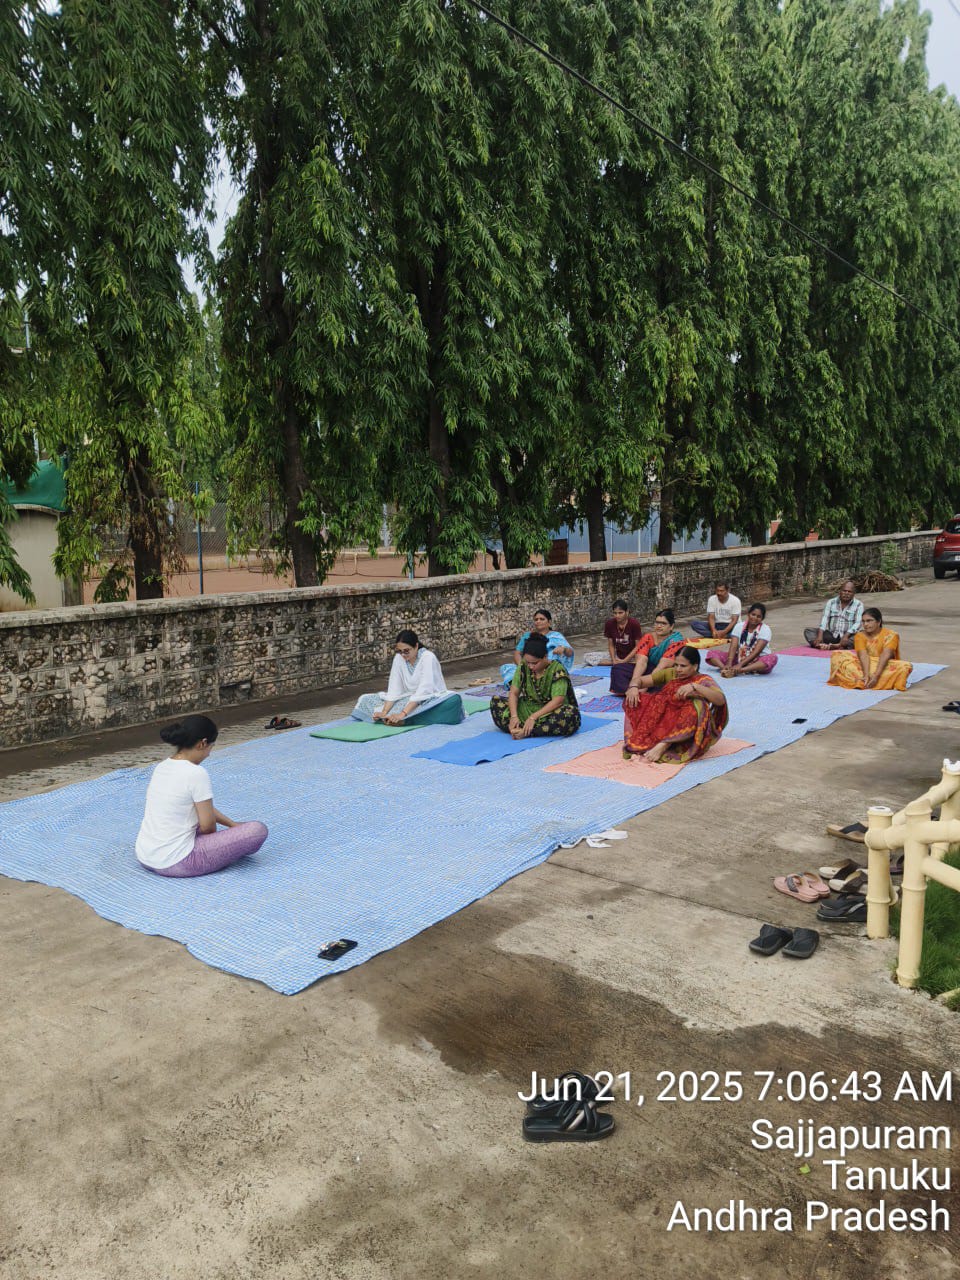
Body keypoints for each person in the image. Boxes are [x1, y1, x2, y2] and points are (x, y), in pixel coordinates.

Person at [135, 715, 268, 878]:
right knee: (256, 831)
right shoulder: (196, 773)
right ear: (202, 743)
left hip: (145, 855)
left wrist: (232, 825)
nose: (209, 754)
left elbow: (201, 807)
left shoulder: (162, 767)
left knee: (195, 818)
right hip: (177, 862)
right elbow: (208, 827)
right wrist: (218, 844)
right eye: (211, 747)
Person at [622, 645, 728, 763]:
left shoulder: (703, 680)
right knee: (634, 700)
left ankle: (665, 744)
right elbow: (640, 680)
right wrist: (633, 687)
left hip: (685, 722)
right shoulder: (671, 673)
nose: (678, 669)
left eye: (683, 666)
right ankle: (642, 738)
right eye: (676, 665)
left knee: (698, 705)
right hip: (665, 716)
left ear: (695, 666)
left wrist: (695, 687)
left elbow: (720, 700)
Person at [352, 630, 464, 725]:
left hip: (429, 698)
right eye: (400, 651)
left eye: (406, 651)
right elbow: (394, 688)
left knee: (453, 701)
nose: (403, 655)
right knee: (365, 699)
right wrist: (384, 712)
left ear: (416, 646)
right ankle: (394, 719)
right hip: (408, 698)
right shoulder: (399, 658)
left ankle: (403, 719)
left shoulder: (428, 657)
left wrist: (402, 714)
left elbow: (424, 690)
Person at [491, 634, 582, 738]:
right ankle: (524, 728)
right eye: (528, 663)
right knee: (496, 702)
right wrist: (514, 716)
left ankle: (529, 731)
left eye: (534, 663)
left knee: (570, 714)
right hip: (528, 708)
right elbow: (514, 693)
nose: (530, 666)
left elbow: (557, 701)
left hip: (550, 712)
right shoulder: (523, 666)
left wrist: (533, 717)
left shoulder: (557, 670)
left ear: (545, 656)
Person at [827, 607, 913, 691]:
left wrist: (876, 676)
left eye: (869, 621)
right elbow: (863, 655)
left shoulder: (891, 635)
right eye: (863, 621)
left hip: (884, 664)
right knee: (838, 655)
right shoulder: (859, 636)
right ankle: (867, 680)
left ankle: (862, 680)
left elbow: (885, 655)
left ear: (878, 622)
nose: (865, 624)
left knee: (905, 666)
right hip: (864, 664)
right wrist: (866, 675)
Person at [500, 608, 574, 685]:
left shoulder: (556, 636)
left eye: (542, 619)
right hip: (530, 667)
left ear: (549, 622)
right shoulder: (527, 636)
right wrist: (522, 668)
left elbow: (570, 653)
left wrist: (564, 649)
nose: (538, 621)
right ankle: (524, 680)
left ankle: (532, 680)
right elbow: (517, 653)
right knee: (506, 668)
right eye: (536, 619)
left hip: (550, 668)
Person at [707, 602, 778, 676]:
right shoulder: (739, 626)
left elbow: (756, 652)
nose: (755, 618)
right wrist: (729, 663)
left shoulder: (765, 629)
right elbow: (733, 646)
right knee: (712, 654)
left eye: (758, 616)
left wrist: (740, 665)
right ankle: (726, 669)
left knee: (772, 658)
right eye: (753, 614)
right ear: (748, 614)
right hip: (739, 658)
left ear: (762, 619)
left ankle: (741, 670)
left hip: (758, 660)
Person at [627, 608, 685, 685]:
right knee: (618, 669)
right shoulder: (648, 637)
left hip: (664, 672)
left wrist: (645, 685)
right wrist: (634, 683)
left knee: (667, 680)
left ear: (671, 626)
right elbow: (641, 661)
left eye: (663, 623)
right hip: (648, 668)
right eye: (657, 623)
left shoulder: (676, 641)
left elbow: (662, 666)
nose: (659, 626)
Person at [804, 580, 863, 650]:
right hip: (832, 635)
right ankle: (821, 645)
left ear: (854, 593)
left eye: (849, 591)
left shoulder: (859, 604)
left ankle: (836, 646)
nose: (846, 593)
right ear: (840, 591)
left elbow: (858, 623)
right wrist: (820, 635)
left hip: (848, 637)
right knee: (808, 631)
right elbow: (825, 618)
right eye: (844, 591)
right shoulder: (831, 602)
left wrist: (846, 635)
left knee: (863, 635)